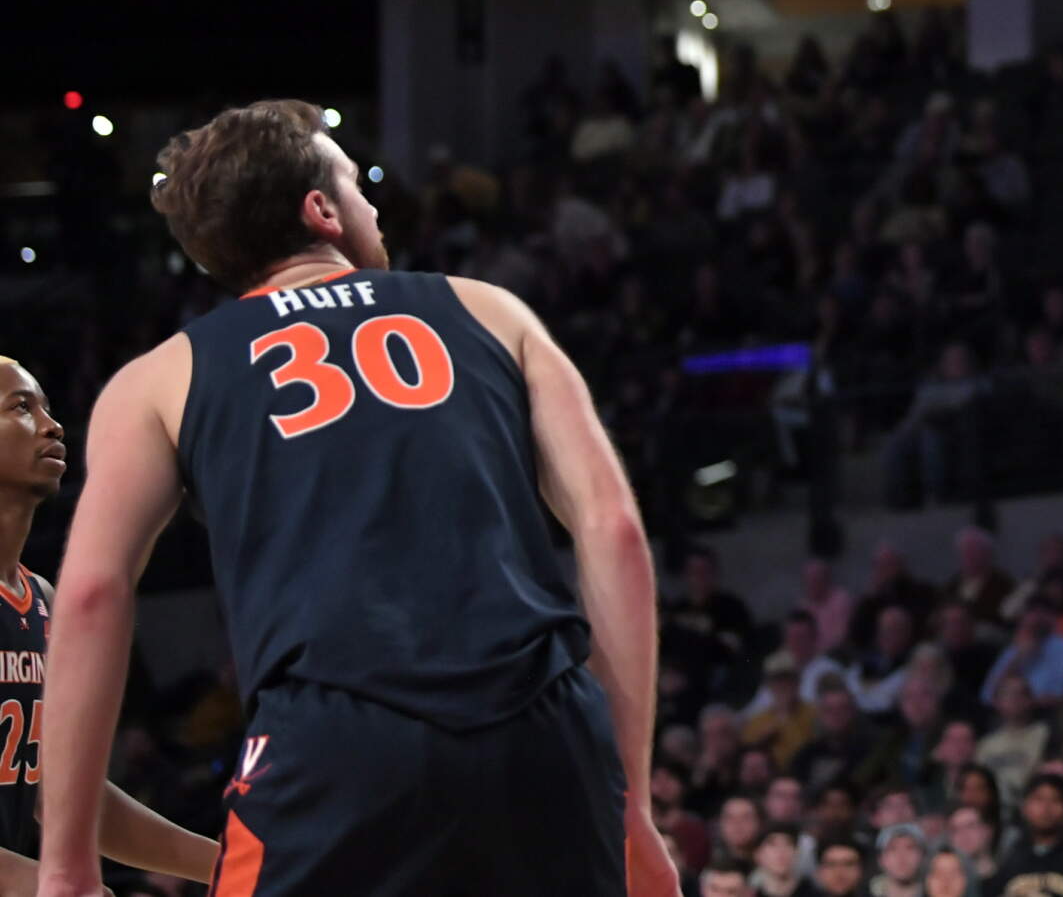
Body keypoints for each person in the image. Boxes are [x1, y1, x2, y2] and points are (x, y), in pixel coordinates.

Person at [37, 100, 675, 897]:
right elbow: (612, 529)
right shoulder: (487, 308)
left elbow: (94, 593)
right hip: (540, 732)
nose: (374, 201)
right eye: (356, 180)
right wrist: (633, 804)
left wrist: (66, 865)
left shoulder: (159, 377)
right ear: (322, 209)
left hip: (334, 750)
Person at [0, 360, 218, 889]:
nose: (51, 425)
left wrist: (233, 866)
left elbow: (64, 797)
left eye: (48, 407)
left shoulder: (41, 601)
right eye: (21, 407)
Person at [995, 774, 1063, 897]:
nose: (1046, 808)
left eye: (1056, 800)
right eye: (1038, 799)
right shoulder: (1010, 853)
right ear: (1024, 807)